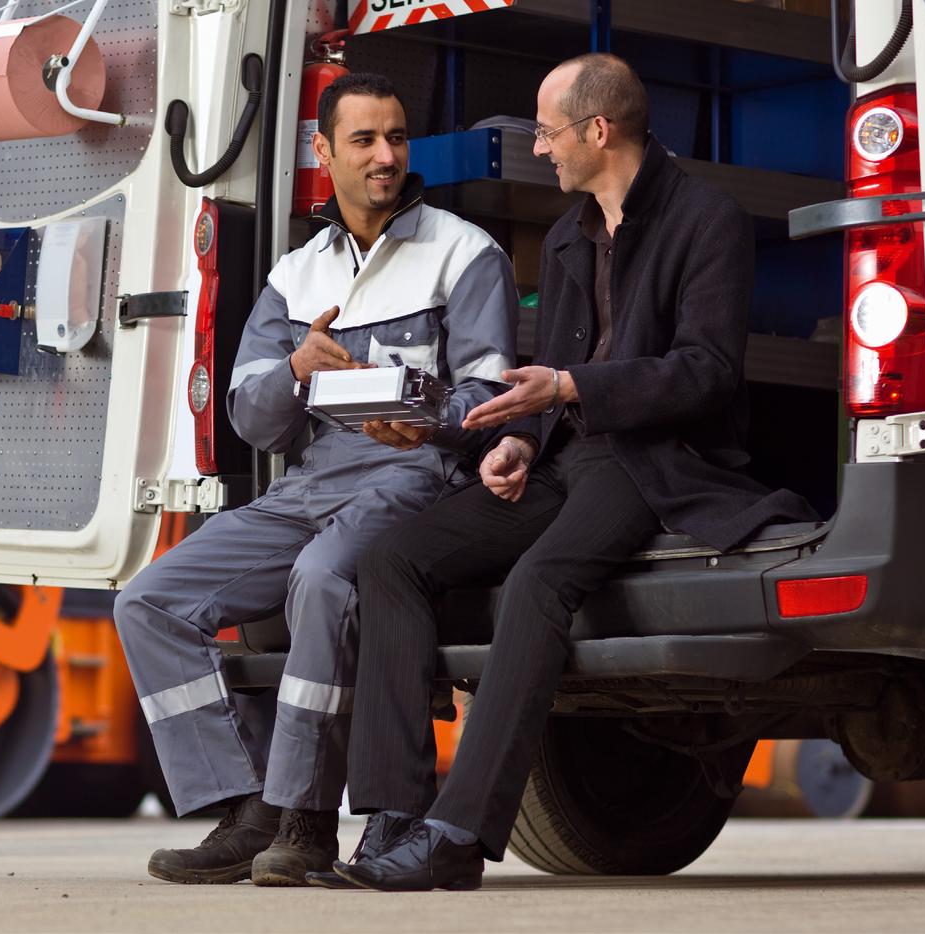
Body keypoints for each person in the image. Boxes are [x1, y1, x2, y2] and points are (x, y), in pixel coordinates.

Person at [334, 53, 818, 892]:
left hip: (659, 460)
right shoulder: (566, 235)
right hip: (568, 455)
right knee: (391, 558)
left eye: (548, 132)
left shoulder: (708, 221)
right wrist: (524, 437)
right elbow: (554, 372)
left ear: (599, 130)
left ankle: (455, 838)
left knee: (540, 581)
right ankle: (394, 817)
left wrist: (570, 387)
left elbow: (705, 372)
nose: (540, 149)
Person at [113, 72, 518, 886]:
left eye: (396, 137)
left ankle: (306, 821)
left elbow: (493, 395)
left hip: (411, 473)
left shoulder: (463, 251)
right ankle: (247, 806)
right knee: (148, 601)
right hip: (305, 484)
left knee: (323, 579)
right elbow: (252, 420)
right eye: (364, 140)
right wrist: (297, 366)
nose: (385, 156)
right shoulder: (295, 275)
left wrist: (428, 416)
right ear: (324, 152)